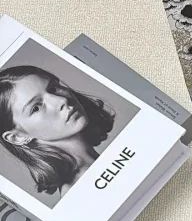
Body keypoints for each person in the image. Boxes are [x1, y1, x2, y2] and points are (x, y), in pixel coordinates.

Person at [0, 65, 116, 198]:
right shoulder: (80, 192)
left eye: (53, 88)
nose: (62, 100)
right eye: (36, 108)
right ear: (17, 137)